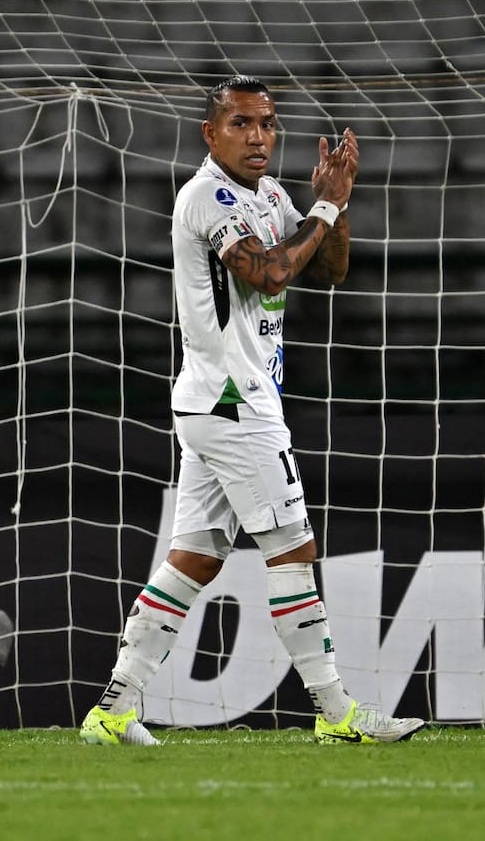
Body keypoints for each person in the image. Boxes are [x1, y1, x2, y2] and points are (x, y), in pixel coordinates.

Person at [80, 75, 425, 746]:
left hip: (227, 401)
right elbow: (267, 274)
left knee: (194, 560)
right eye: (241, 124)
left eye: (267, 123)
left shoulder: (269, 194)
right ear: (212, 134)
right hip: (233, 402)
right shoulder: (206, 196)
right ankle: (336, 713)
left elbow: (325, 271)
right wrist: (322, 209)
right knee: (292, 547)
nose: (259, 136)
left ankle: (113, 708)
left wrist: (337, 202)